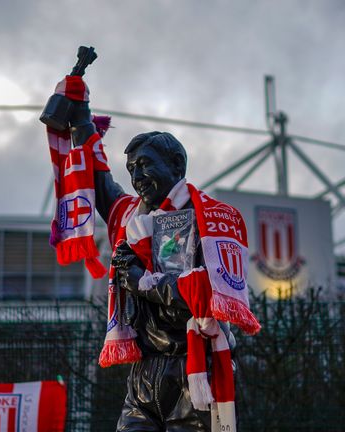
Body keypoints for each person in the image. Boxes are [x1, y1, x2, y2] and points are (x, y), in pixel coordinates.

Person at [67, 97, 239, 432]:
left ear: (176, 164)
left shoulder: (211, 221)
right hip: (144, 374)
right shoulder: (130, 217)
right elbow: (100, 182)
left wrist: (139, 280)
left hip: (195, 372)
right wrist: (80, 121)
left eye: (144, 164)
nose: (137, 177)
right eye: (131, 169)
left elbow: (204, 295)